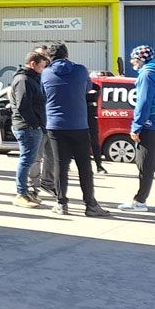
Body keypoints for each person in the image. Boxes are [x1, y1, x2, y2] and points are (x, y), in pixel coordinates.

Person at [41, 42, 110, 217]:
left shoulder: (46, 73)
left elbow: (44, 95)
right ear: (67, 55)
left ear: (50, 57)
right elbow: (88, 89)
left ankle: (61, 204)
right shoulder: (80, 70)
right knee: (84, 166)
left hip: (55, 125)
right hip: (78, 124)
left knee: (60, 165)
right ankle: (91, 205)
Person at [117, 46, 155, 213]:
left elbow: (143, 103)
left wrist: (136, 127)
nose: (131, 62)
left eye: (133, 59)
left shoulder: (146, 74)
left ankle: (140, 201)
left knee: (145, 164)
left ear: (141, 59)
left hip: (150, 125)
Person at [10, 51, 50, 208]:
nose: (42, 70)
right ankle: (21, 194)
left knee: (29, 160)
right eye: (41, 66)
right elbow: (23, 105)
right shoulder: (24, 80)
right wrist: (35, 124)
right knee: (26, 160)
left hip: (33, 126)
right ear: (33, 63)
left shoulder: (32, 78)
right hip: (27, 127)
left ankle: (26, 193)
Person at [28, 44, 58, 197]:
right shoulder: (29, 78)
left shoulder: (50, 74)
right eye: (41, 56)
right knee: (35, 157)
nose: (44, 59)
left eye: (46, 56)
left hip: (51, 122)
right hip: (38, 124)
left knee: (52, 156)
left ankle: (48, 183)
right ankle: (32, 186)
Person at [87, 74, 109, 174]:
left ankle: (98, 165)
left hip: (91, 117)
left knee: (94, 143)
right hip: (81, 117)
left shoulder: (94, 87)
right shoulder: (77, 87)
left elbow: (96, 92)